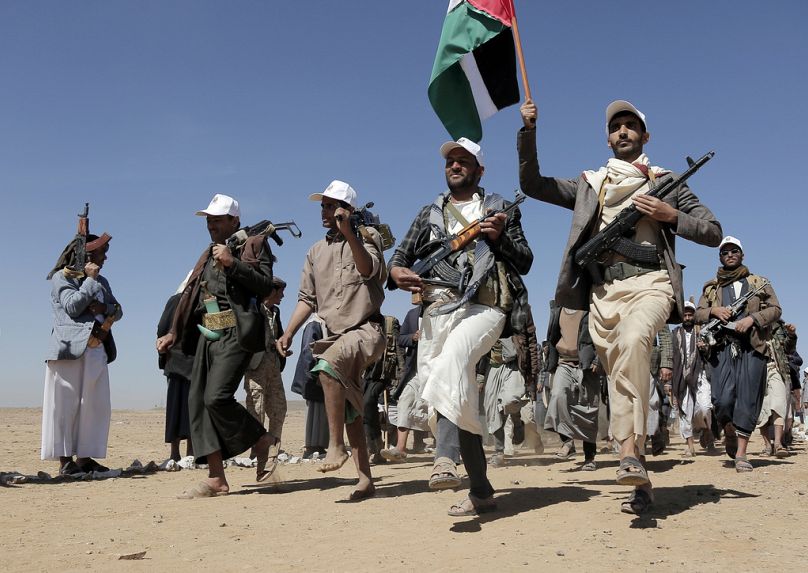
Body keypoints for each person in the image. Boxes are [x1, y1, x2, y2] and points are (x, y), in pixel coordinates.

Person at [518, 99, 722, 514]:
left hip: (652, 283)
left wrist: (669, 215)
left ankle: (627, 447)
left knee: (633, 345)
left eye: (631, 126)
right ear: (608, 138)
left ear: (645, 136)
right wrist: (529, 131)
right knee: (620, 379)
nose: (623, 132)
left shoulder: (667, 181)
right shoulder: (591, 184)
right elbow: (532, 184)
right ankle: (639, 479)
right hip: (603, 295)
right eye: (616, 127)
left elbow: (713, 231)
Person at [388, 137, 533, 516]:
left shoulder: (499, 208)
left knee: (454, 359)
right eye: (450, 161)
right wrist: (398, 273)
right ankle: (481, 491)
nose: (455, 166)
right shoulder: (429, 214)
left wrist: (499, 239)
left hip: (486, 308)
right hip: (437, 312)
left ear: (479, 169)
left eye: (463, 161)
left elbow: (526, 259)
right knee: (456, 394)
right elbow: (399, 259)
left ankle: (444, 459)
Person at [157, 194, 276, 497]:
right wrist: (173, 332)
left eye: (217, 219)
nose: (211, 225)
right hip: (208, 335)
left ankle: (261, 440)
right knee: (198, 401)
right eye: (209, 220)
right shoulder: (207, 254)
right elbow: (191, 296)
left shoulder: (254, 244)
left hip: (237, 333)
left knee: (216, 397)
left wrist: (233, 263)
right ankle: (216, 478)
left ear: (234, 220)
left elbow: (264, 285)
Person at [276, 180, 386, 501]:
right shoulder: (315, 252)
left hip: (367, 331)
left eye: (331, 205)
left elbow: (370, 272)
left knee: (326, 367)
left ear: (348, 209)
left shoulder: (369, 238)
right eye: (322, 206)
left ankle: (334, 445)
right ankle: (365, 480)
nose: (324, 212)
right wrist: (288, 333)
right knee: (351, 407)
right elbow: (306, 299)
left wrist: (351, 233)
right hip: (334, 337)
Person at [695, 236, 781, 472]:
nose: (730, 255)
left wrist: (752, 319)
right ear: (720, 257)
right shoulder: (712, 287)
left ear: (742, 255)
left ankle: (742, 454)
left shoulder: (758, 282)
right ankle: (728, 428)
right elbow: (698, 314)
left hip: (752, 347)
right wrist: (714, 310)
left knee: (748, 399)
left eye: (734, 251)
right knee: (721, 400)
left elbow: (775, 309)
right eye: (725, 252)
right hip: (722, 347)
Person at [42, 231, 122, 475]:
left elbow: (118, 310)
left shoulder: (103, 282)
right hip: (68, 351)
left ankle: (85, 459)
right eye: (101, 253)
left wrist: (103, 307)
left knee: (93, 406)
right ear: (86, 256)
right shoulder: (60, 278)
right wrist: (88, 281)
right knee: (64, 406)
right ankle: (66, 462)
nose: (105, 258)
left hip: (96, 348)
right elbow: (73, 307)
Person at [543, 303, 601, 470]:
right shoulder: (556, 309)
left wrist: (598, 359)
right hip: (564, 363)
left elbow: (604, 333)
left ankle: (590, 457)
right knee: (558, 397)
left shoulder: (591, 306)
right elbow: (552, 336)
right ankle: (567, 442)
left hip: (587, 365)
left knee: (588, 409)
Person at [243, 276, 287, 467]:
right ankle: (257, 450)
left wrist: (281, 347)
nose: (283, 296)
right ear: (271, 291)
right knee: (256, 409)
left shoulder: (275, 312)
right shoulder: (254, 309)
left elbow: (279, 335)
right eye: (280, 292)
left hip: (274, 367)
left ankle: (273, 448)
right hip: (256, 367)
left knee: (279, 408)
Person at [382, 306, 430, 462]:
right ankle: (400, 449)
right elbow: (401, 339)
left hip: (437, 369)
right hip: (415, 370)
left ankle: (448, 449)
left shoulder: (446, 311)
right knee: (405, 401)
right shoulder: (412, 314)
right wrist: (413, 338)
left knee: (438, 408)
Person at [670, 300, 713, 457]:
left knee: (705, 407)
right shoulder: (674, 333)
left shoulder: (703, 331)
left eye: (690, 314)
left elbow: (711, 353)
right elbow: (670, 356)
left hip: (700, 375)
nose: (687, 317)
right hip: (680, 377)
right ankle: (689, 446)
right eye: (685, 315)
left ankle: (707, 429)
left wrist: (705, 347)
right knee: (685, 411)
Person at [157, 290, 194, 462]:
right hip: (178, 361)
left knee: (191, 408)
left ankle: (190, 453)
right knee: (178, 408)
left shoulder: (203, 300)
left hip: (195, 363)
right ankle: (176, 453)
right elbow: (162, 328)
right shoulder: (176, 300)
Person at [482, 337, 526, 467]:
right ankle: (499, 452)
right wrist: (479, 376)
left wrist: (532, 375)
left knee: (510, 400)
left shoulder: (518, 318)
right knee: (494, 412)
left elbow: (531, 346)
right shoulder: (486, 322)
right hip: (492, 368)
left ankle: (517, 422)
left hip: (514, 367)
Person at [755, 321, 796, 457]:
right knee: (761, 409)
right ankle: (767, 445)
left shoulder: (779, 327)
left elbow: (789, 349)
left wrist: (791, 335)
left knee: (779, 404)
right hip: (757, 371)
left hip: (777, 369)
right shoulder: (749, 325)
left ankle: (778, 444)